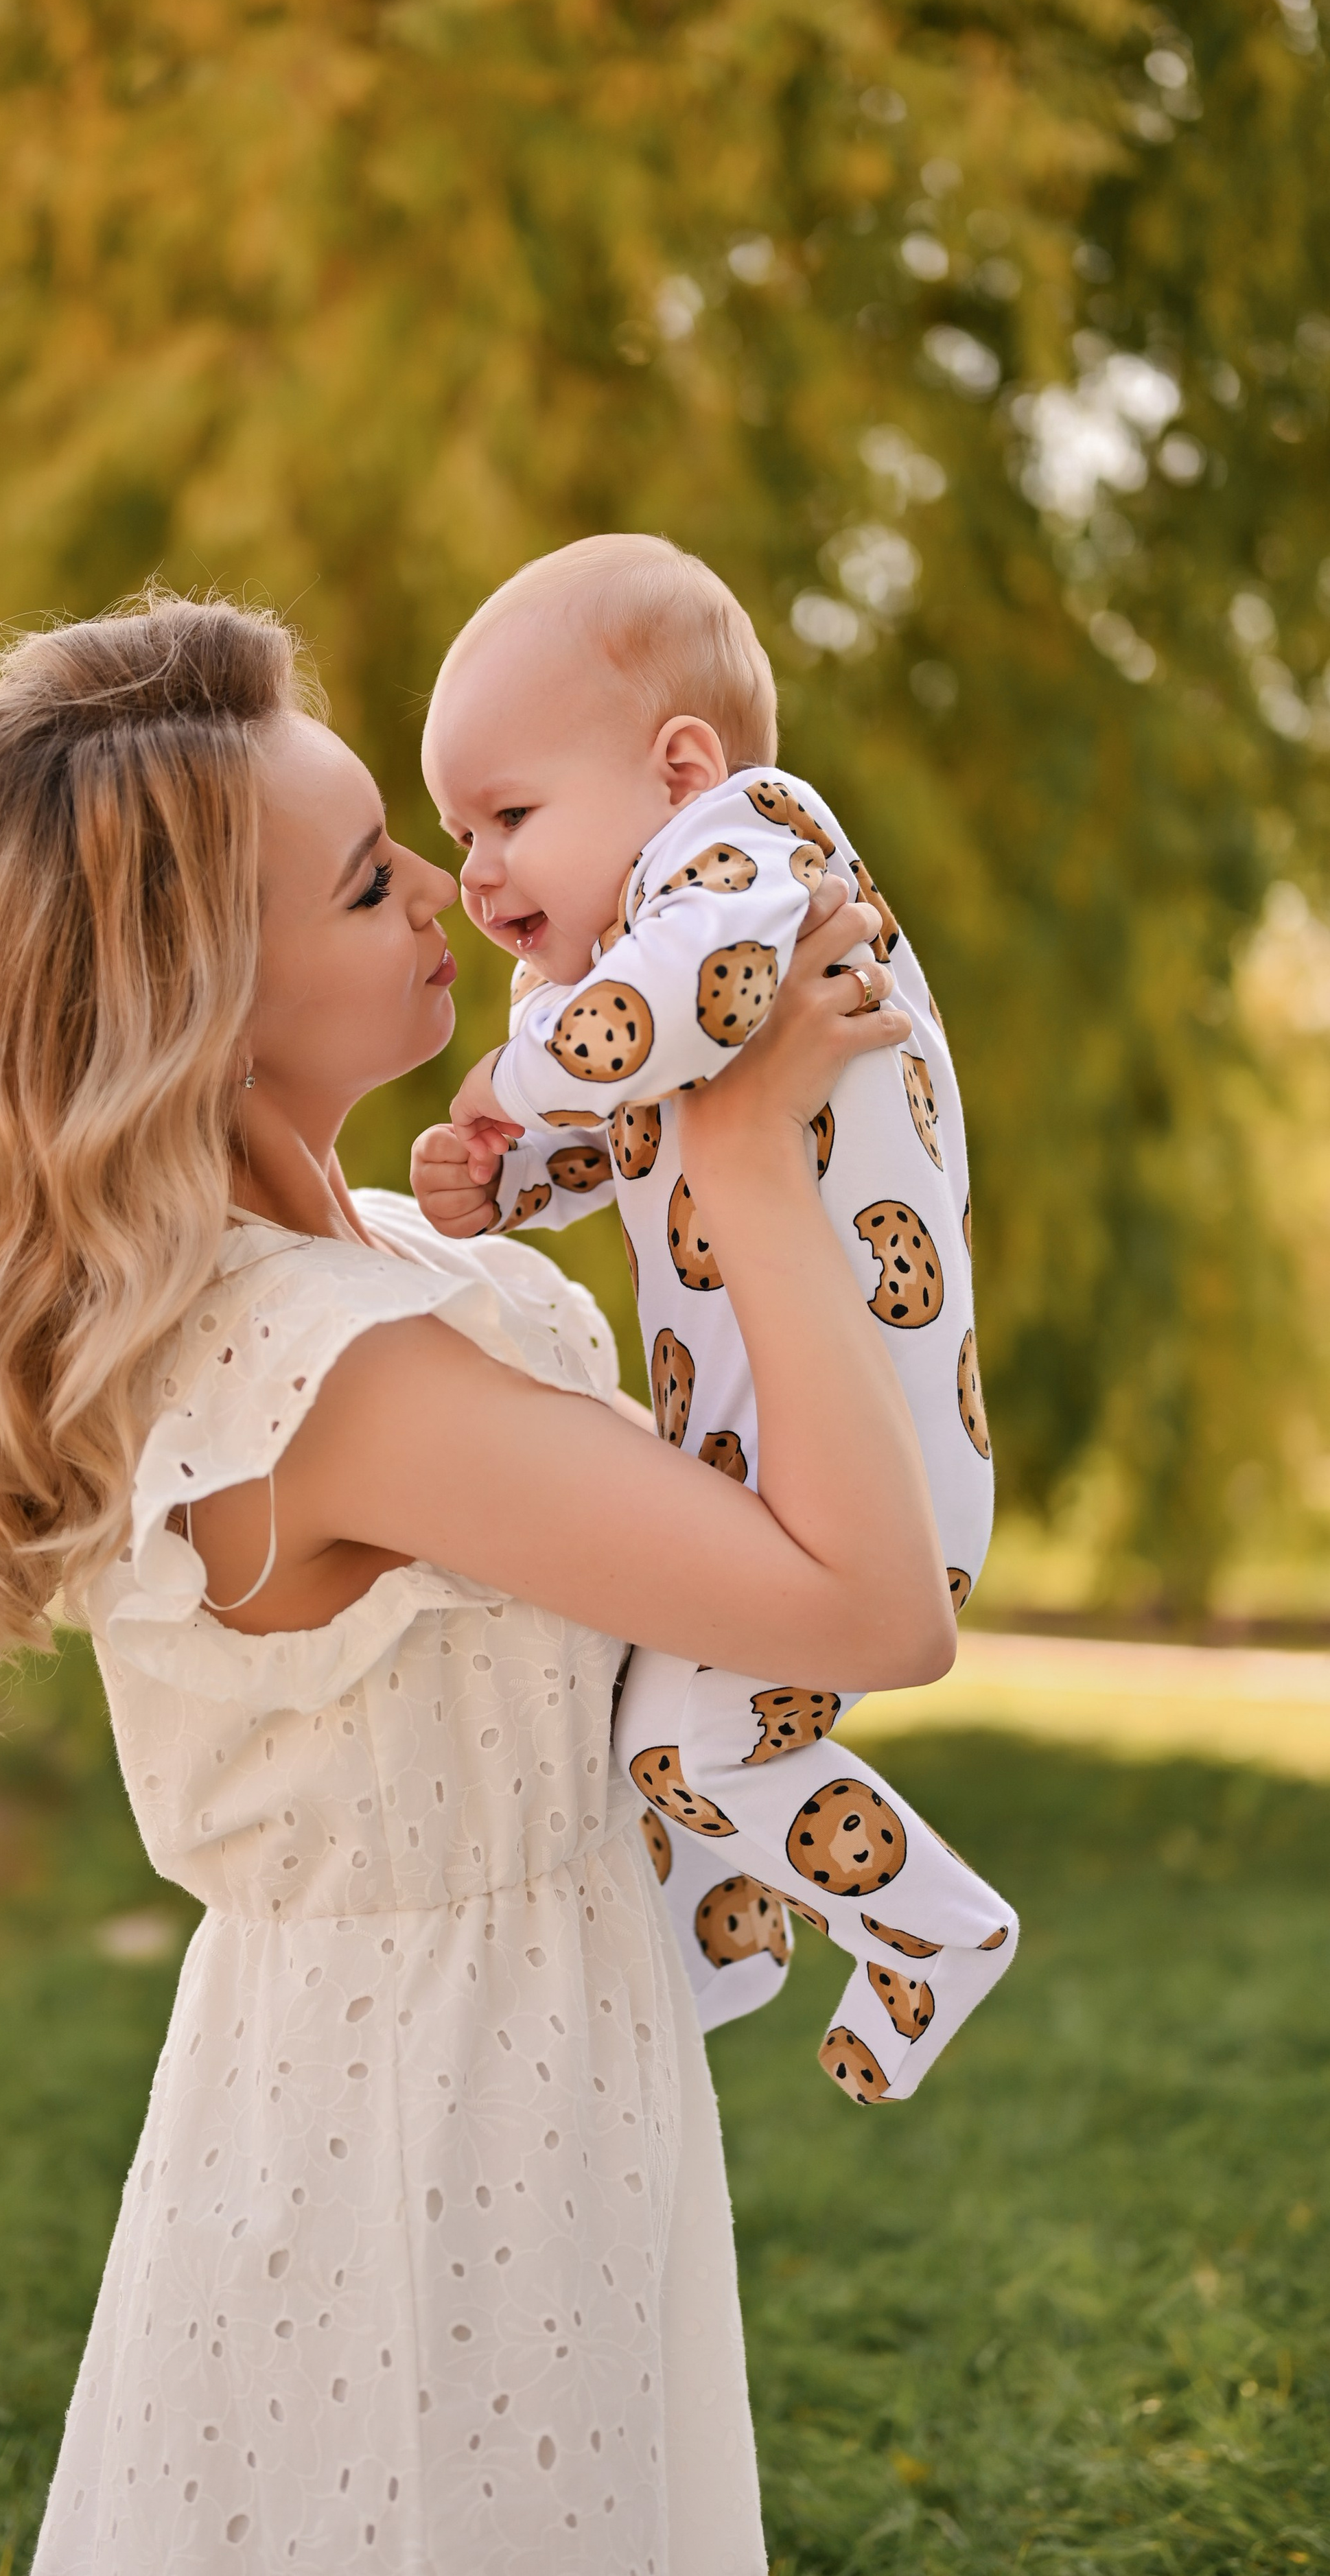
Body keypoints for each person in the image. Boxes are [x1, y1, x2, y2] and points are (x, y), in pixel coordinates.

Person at [0, 591, 957, 2575]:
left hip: (489, 2053)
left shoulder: (404, 1264)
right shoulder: (330, 1373)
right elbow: (870, 1605)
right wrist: (747, 1161)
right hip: (433, 2132)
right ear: (197, 1004)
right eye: (361, 883)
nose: (448, 887)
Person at [410, 537, 1015, 2100]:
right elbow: (637, 1110)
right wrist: (508, 1168)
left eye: (509, 816)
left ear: (678, 764)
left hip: (869, 1470)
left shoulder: (749, 854)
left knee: (682, 1741)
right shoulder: (653, 946)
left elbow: (690, 1007)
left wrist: (515, 1071)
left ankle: (933, 1929)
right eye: (456, 832)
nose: (475, 874)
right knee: (656, 1712)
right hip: (764, 1461)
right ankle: (729, 1930)